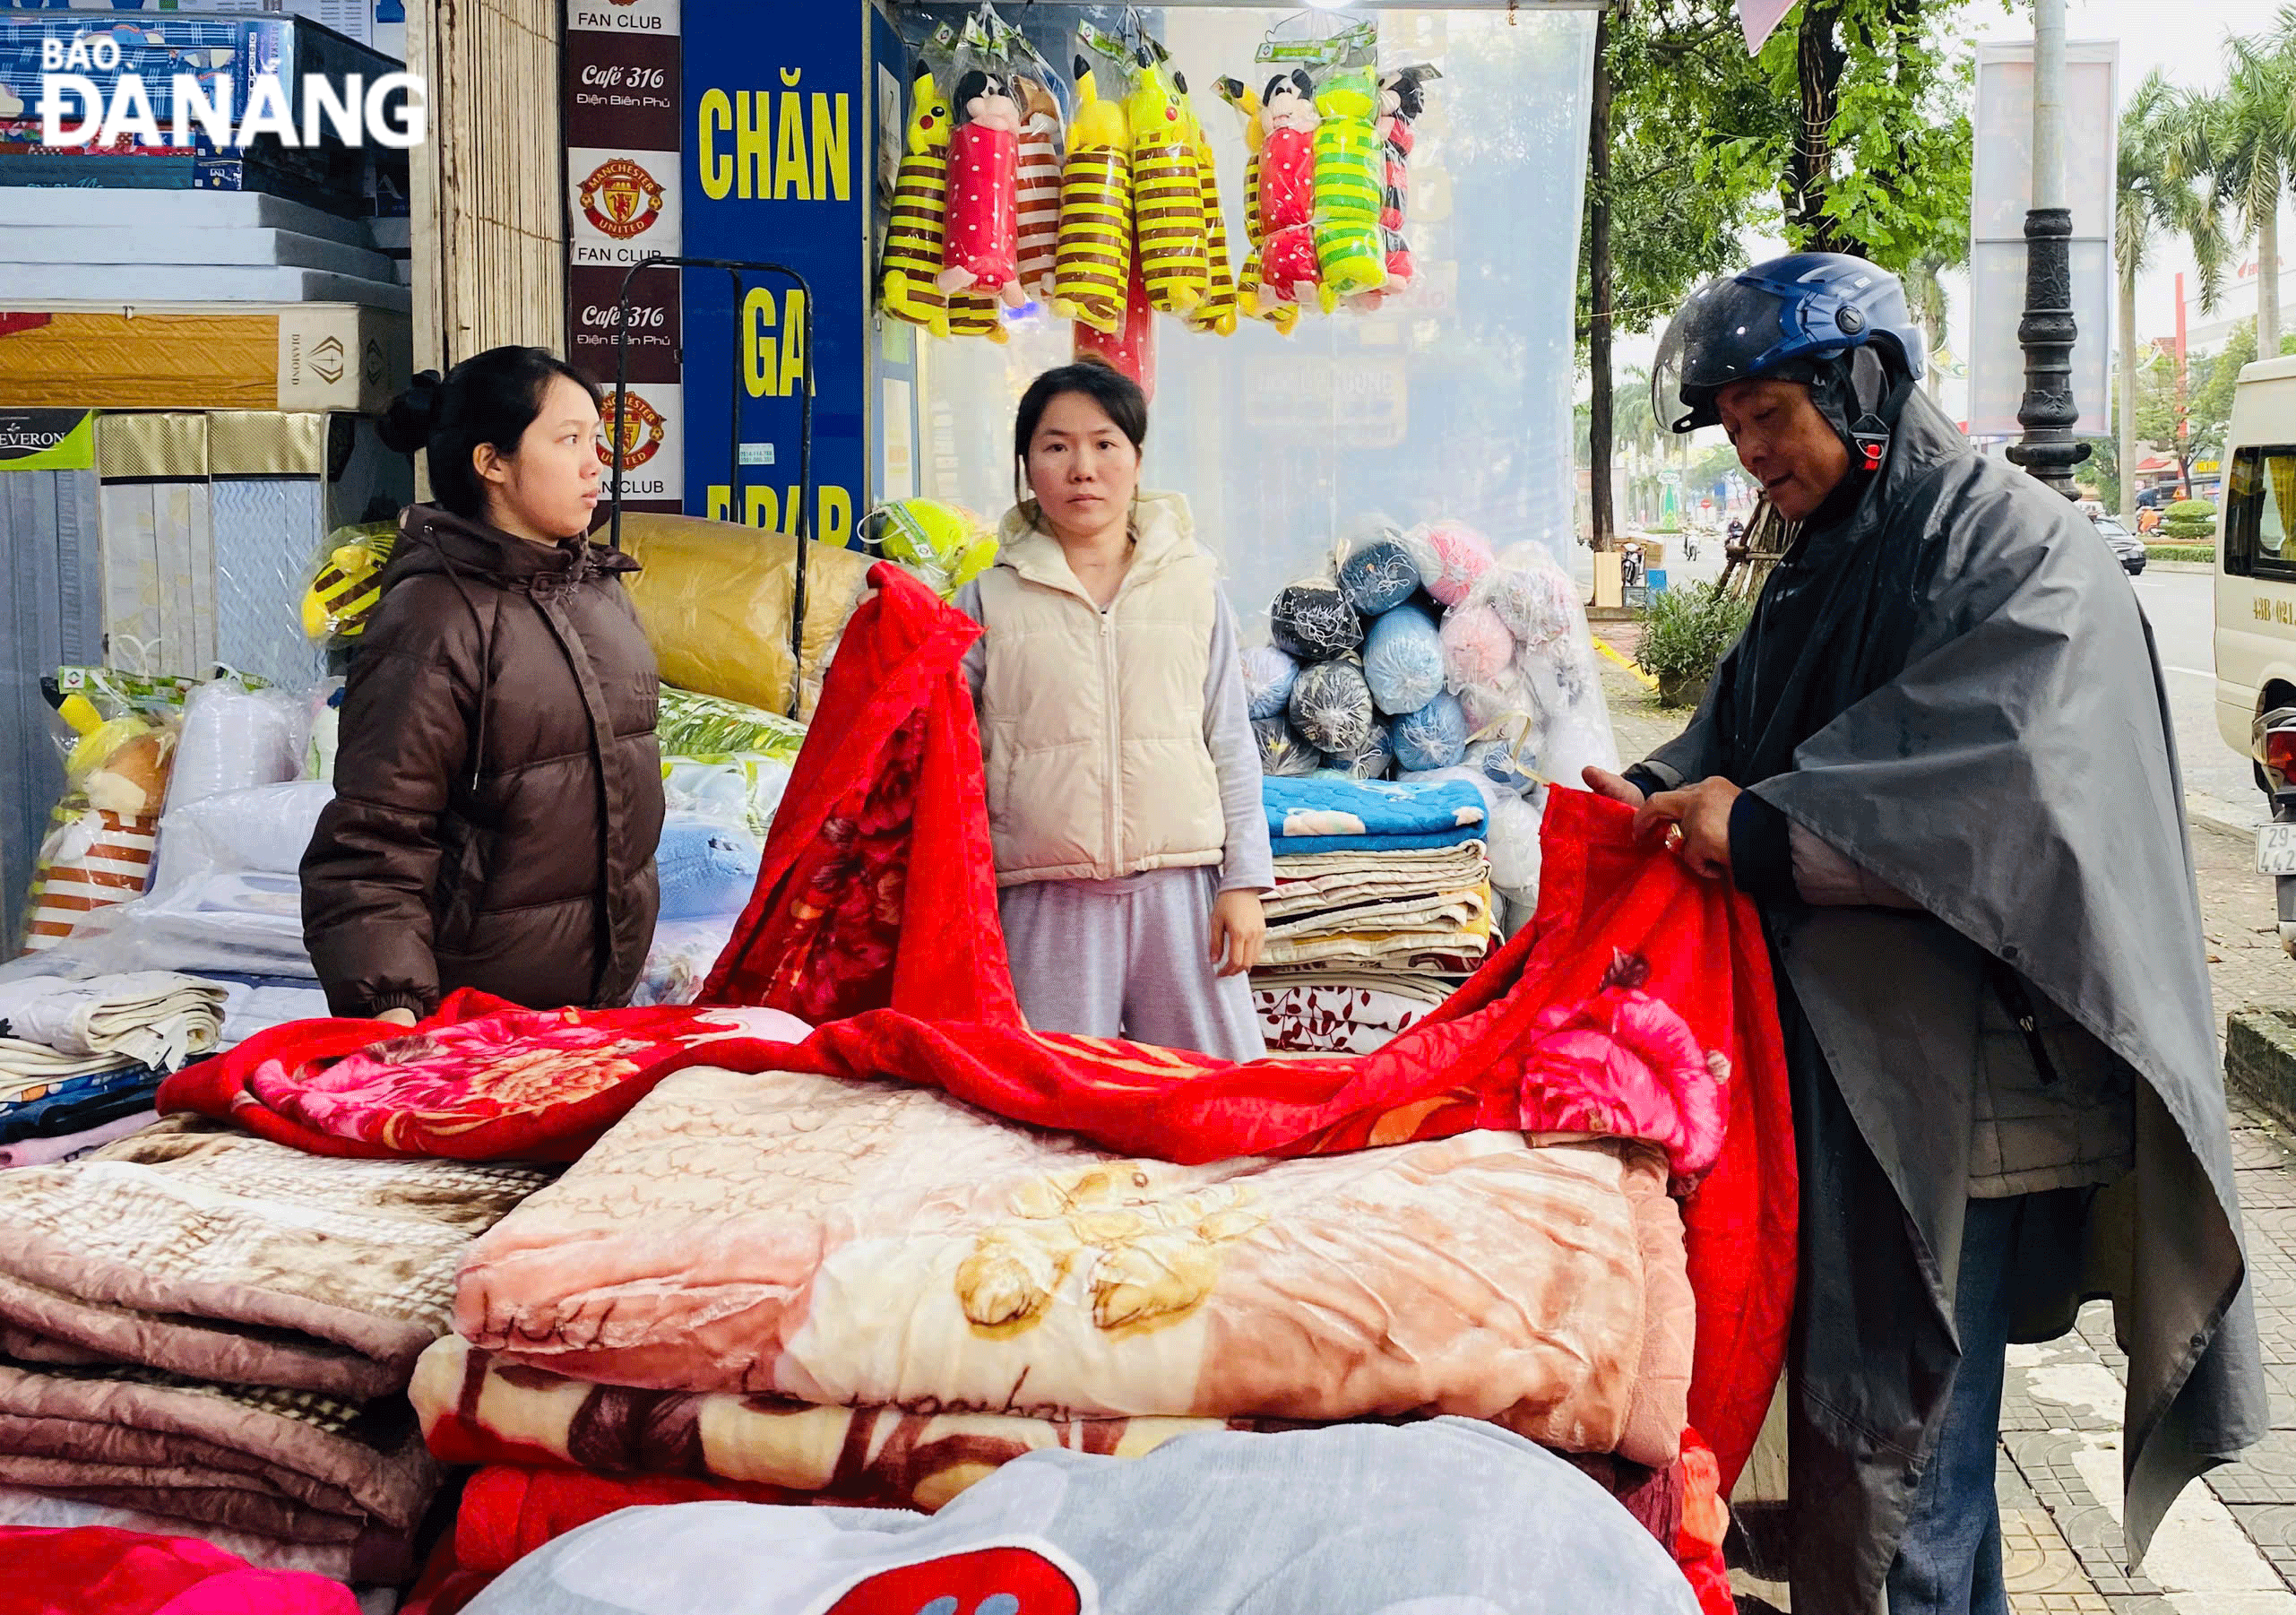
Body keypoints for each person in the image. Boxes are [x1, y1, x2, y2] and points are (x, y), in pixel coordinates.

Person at [1588, 254, 2263, 1615]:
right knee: (1911, 1465)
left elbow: (2001, 794)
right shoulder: (1825, 552)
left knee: (1899, 1465)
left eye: (1770, 412)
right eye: (1731, 425)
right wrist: (1654, 792)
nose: (1751, 449)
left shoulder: (2005, 542)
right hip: (1871, 1072)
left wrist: (1760, 828)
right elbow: (1744, 732)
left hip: (1975, 1088)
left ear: (1863, 385)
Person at [303, 346, 664, 1026]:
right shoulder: (430, 623)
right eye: (569, 441)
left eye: (597, 440)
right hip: (471, 1023)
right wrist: (393, 1010)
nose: (597, 464)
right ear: (491, 462)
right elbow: (377, 840)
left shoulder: (599, 591)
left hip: (591, 1012)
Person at [953, 360, 1272, 1061]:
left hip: (1182, 892)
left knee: (1215, 1103)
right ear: (1027, 465)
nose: (1082, 468)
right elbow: (942, 753)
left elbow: (1228, 739)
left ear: (1137, 461)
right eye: (1056, 446)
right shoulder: (985, 601)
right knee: (1051, 1114)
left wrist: (1244, 883)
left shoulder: (1194, 587)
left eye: (1104, 444)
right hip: (1044, 899)